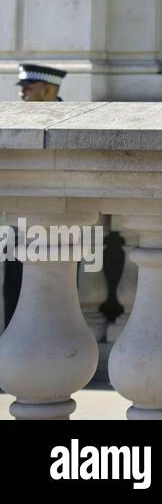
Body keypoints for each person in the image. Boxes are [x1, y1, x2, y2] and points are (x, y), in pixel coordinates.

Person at [3, 63, 68, 326]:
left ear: (47, 90)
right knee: (14, 292)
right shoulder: (14, 120)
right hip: (19, 224)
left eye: (28, 87)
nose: (22, 94)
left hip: (63, 224)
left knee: (61, 295)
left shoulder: (73, 120)